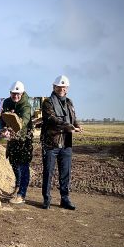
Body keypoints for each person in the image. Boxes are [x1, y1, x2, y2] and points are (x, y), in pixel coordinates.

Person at [41, 75, 82, 210]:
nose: (61, 89)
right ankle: (46, 199)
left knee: (65, 173)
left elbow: (73, 118)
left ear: (67, 88)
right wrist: (69, 126)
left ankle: (65, 199)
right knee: (48, 172)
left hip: (66, 144)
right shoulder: (48, 102)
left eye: (64, 87)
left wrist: (77, 125)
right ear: (54, 87)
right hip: (51, 143)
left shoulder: (69, 102)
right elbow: (52, 119)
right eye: (59, 86)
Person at [0, 81, 34, 204]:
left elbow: (23, 122)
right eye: (13, 94)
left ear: (22, 93)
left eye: (17, 94)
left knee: (23, 166)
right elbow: (3, 118)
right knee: (14, 163)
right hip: (13, 140)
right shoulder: (7, 102)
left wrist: (11, 130)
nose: (15, 96)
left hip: (24, 140)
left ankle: (21, 194)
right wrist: (4, 129)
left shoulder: (26, 106)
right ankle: (18, 186)